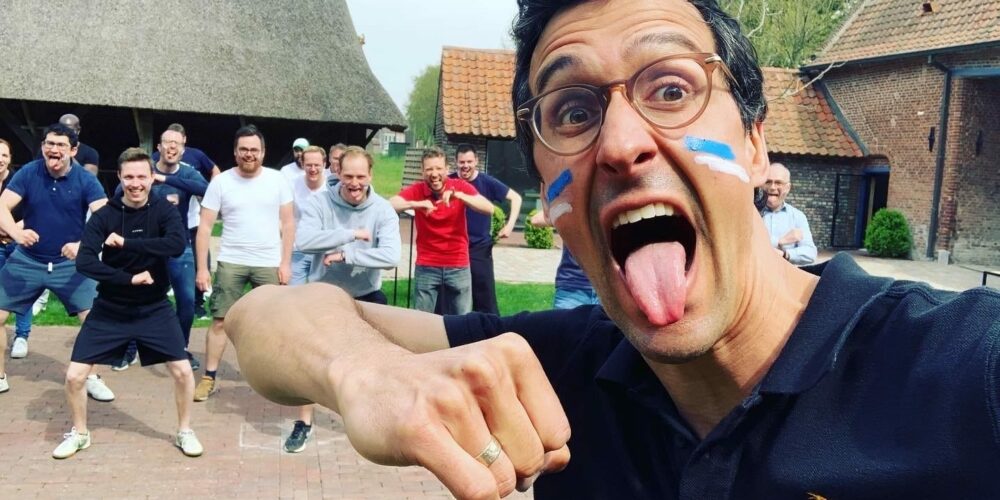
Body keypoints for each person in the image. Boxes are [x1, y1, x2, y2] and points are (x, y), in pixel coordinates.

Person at [225, 1, 1000, 498]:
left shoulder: (962, 369)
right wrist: (365, 370)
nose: (623, 143)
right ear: (547, 191)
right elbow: (264, 316)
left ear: (756, 143)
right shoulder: (563, 370)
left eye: (672, 89)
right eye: (573, 111)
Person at [53, 147, 203, 459]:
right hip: (110, 307)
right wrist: (128, 279)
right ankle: (80, 433)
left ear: (152, 178)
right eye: (129, 177)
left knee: (182, 371)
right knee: (74, 376)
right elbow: (85, 261)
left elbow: (176, 245)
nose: (136, 183)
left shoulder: (163, 211)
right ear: (120, 178)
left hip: (154, 307)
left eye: (142, 177)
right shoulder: (104, 215)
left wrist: (127, 243)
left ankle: (185, 430)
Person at [283, 145, 400, 453]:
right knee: (311, 362)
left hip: (367, 294)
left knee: (377, 360)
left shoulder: (383, 209)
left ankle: (377, 419)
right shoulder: (320, 202)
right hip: (324, 293)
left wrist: (348, 254)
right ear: (337, 172)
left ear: (370, 175)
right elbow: (305, 241)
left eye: (361, 176)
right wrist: (350, 234)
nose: (354, 183)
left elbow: (391, 256)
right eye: (348, 176)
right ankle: (304, 422)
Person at [0, 124, 115, 402]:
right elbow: (2, 205)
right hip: (27, 260)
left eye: (61, 145)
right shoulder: (29, 172)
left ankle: (91, 376)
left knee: (93, 319)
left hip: (70, 264)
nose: (54, 150)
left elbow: (105, 219)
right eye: (49, 144)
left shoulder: (85, 179)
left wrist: (83, 245)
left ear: (73, 150)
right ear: (42, 147)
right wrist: (15, 233)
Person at [193, 125, 294, 401]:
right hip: (232, 260)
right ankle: (208, 377)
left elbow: (288, 223)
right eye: (244, 150)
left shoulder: (277, 180)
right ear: (235, 152)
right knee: (220, 320)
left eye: (254, 150)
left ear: (263, 152)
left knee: (275, 321)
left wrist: (285, 263)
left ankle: (277, 378)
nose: (249, 154)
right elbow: (204, 227)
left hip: (268, 261)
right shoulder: (221, 183)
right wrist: (202, 268)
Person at [113, 127, 208, 370]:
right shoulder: (144, 170)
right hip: (145, 248)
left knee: (187, 301)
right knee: (135, 298)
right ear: (159, 147)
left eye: (177, 143)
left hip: (178, 247)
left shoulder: (188, 173)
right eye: (167, 142)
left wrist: (164, 179)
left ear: (183, 149)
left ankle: (179, 349)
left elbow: (207, 190)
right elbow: (118, 193)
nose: (171, 147)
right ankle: (130, 349)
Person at [389, 147, 494, 315]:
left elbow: (489, 208)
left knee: (462, 319)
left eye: (438, 168)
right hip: (427, 264)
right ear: (422, 171)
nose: (434, 174)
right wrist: (416, 204)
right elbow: (389, 205)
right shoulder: (417, 190)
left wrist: (460, 196)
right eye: (429, 169)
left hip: (458, 264)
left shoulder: (459, 186)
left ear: (447, 169)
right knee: (421, 319)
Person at [449, 144, 522, 314]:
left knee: (485, 300)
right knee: (452, 298)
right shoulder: (449, 181)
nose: (465, 166)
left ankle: (490, 327)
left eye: (469, 162)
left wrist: (509, 225)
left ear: (476, 161)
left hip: (479, 249)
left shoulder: (487, 182)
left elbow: (516, 198)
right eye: (462, 162)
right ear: (456, 162)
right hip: (453, 248)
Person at [0, 139, 37, 360]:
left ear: (10, 159)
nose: (0, 159)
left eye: (4, 155)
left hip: (17, 242)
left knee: (23, 290)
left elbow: (32, 213)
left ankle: (22, 335)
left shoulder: (19, 181)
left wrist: (11, 230)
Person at [528, 210, 598, 309]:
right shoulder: (570, 207)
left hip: (610, 290)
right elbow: (536, 220)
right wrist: (573, 215)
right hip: (572, 286)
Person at [760, 162, 817, 265]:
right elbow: (745, 246)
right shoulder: (751, 213)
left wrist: (785, 254)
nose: (772, 187)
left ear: (788, 188)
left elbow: (810, 253)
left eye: (778, 183)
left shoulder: (798, 217)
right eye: (768, 182)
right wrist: (780, 241)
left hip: (784, 274)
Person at [289, 146, 329, 285]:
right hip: (298, 249)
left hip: (324, 250)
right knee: (293, 292)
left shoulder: (332, 187)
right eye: (309, 165)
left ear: (324, 164)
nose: (313, 169)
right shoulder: (292, 185)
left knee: (323, 293)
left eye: (317, 165)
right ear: (302, 164)